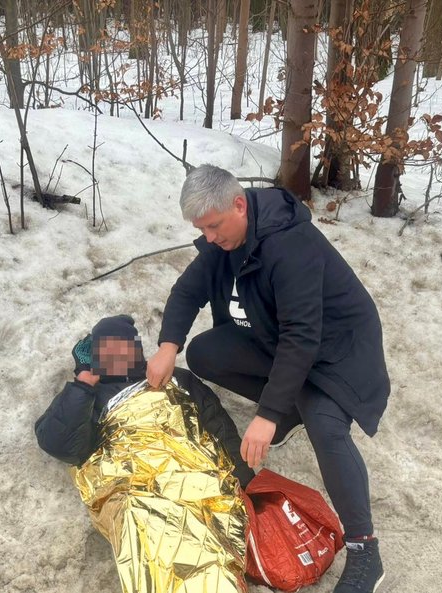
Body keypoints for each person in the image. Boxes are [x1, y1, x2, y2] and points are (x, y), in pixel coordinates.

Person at [146, 165, 391, 593]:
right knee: (205, 352)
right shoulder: (226, 239)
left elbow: (303, 336)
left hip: (336, 351)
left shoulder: (288, 244)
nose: (208, 237)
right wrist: (169, 346)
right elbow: (188, 291)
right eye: (201, 229)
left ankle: (365, 550)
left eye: (213, 226)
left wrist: (267, 414)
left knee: (327, 427)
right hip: (280, 338)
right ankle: (292, 412)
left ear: (239, 205)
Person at [35, 314, 253, 488]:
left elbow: (216, 423)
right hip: (139, 494)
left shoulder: (172, 377)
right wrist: (83, 384)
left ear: (136, 349)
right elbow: (61, 446)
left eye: (123, 347)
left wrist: (245, 481)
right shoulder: (88, 398)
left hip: (198, 477)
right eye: (106, 349)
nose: (116, 355)